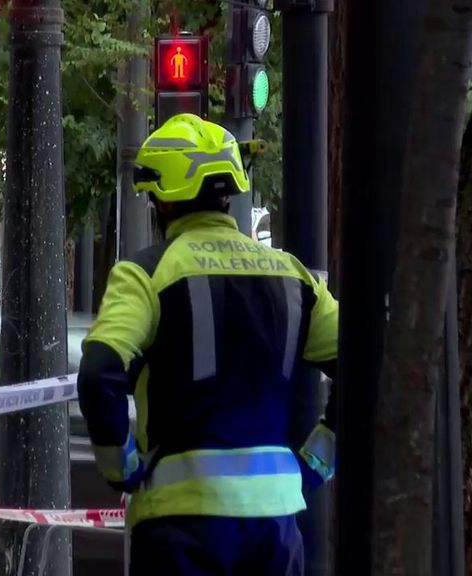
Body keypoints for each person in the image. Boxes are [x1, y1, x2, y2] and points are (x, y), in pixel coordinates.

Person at [77, 113, 339, 576]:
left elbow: (100, 370)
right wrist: (318, 460)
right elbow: (367, 365)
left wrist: (121, 467)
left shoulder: (145, 274)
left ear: (163, 201)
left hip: (180, 524)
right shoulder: (293, 276)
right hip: (276, 523)